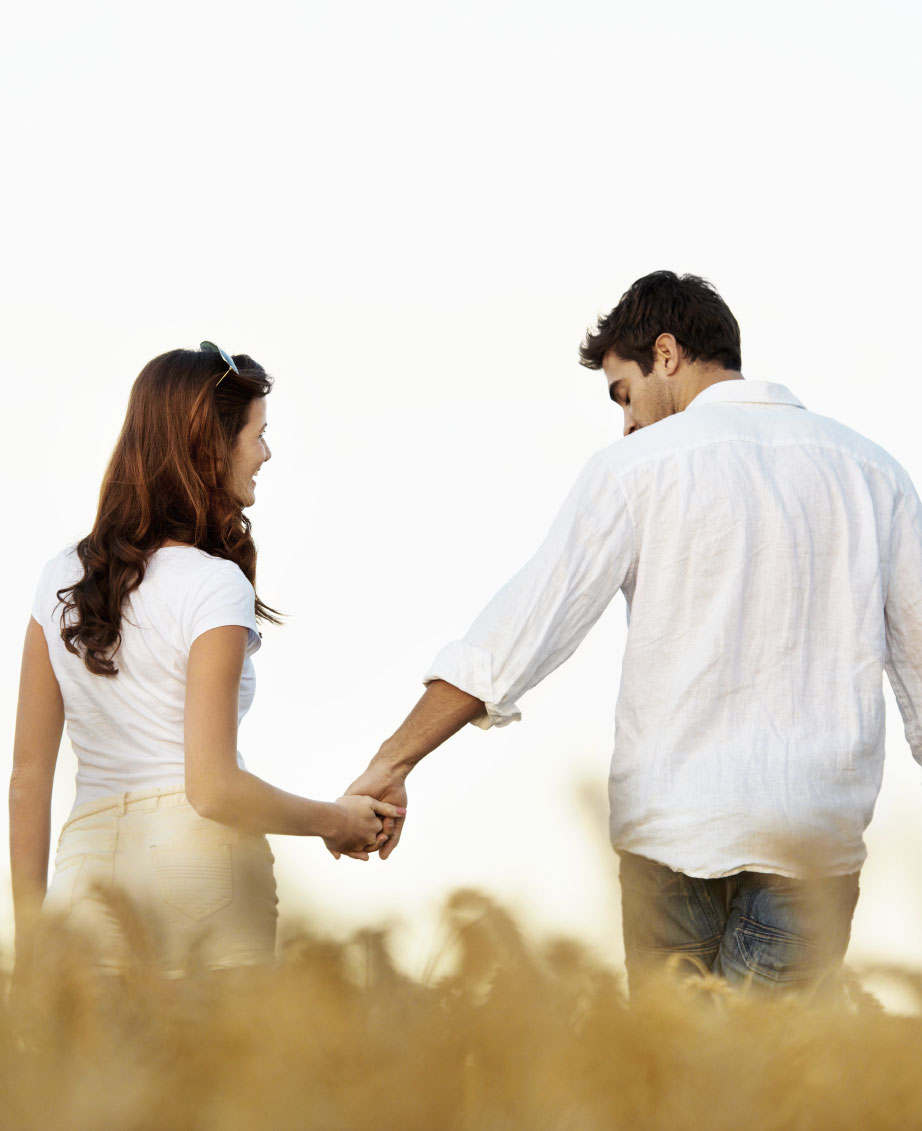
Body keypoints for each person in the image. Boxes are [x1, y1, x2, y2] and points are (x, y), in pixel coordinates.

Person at [344, 271, 922, 995]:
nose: (626, 422)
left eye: (624, 393)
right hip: (814, 848)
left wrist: (392, 760)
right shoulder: (874, 474)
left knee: (670, 1089)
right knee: (775, 1094)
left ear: (668, 352)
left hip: (671, 841)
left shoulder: (637, 469)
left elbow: (517, 633)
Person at [10, 342, 401, 975]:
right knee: (215, 1073)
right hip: (201, 872)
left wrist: (29, 956)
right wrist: (335, 821)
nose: (265, 454)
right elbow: (213, 789)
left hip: (84, 872)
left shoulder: (59, 579)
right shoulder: (214, 584)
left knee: (100, 1077)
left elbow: (27, 781)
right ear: (208, 446)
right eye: (258, 434)